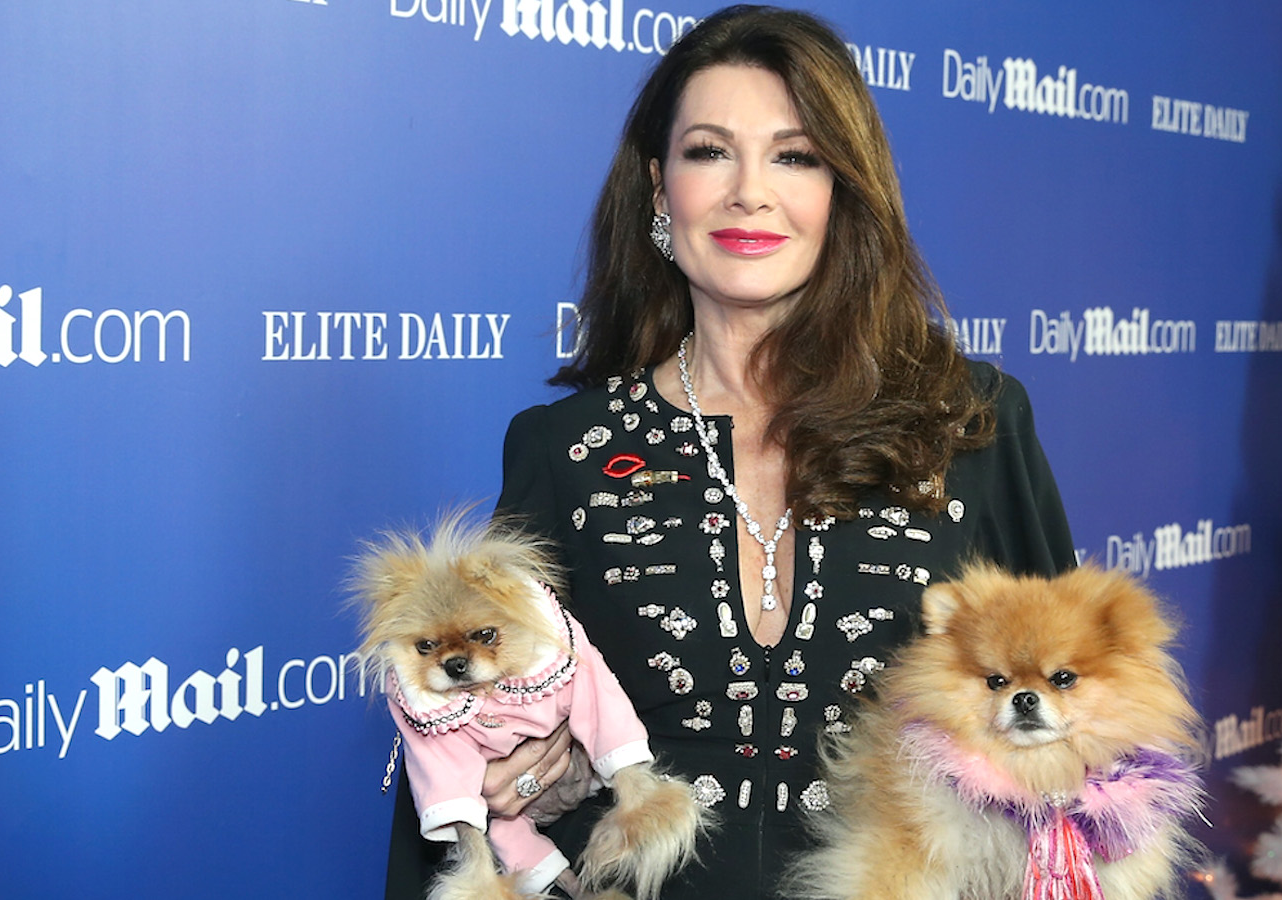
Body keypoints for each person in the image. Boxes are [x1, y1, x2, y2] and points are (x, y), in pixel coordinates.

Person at [384, 6, 1076, 898]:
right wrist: (529, 772)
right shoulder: (565, 450)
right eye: (710, 151)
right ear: (658, 189)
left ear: (844, 191)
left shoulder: (970, 423)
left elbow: (1082, 731)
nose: (751, 191)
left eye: (795, 156)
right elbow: (471, 741)